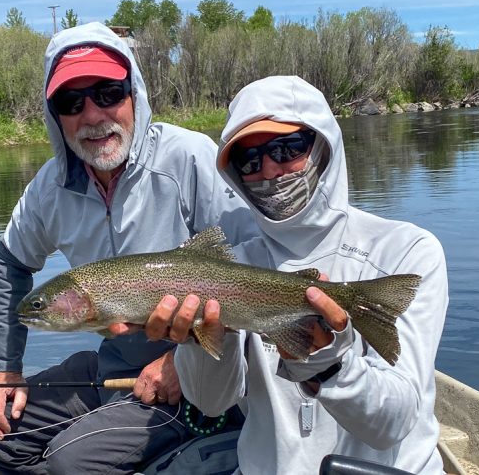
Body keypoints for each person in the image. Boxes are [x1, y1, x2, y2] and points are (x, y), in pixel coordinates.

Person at [0, 21, 256, 474]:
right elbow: (10, 262)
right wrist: (6, 369)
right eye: (71, 102)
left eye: (107, 93)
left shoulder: (189, 159)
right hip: (113, 369)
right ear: (54, 116)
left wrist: (185, 362)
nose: (93, 115)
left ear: (133, 95)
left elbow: (261, 266)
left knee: (69, 463)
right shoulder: (49, 190)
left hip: (198, 382)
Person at [129, 76, 449, 474]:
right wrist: (200, 339)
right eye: (249, 161)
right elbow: (212, 403)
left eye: (285, 148)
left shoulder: (405, 251)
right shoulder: (232, 267)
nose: (268, 170)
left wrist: (330, 364)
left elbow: (394, 425)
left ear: (321, 144)